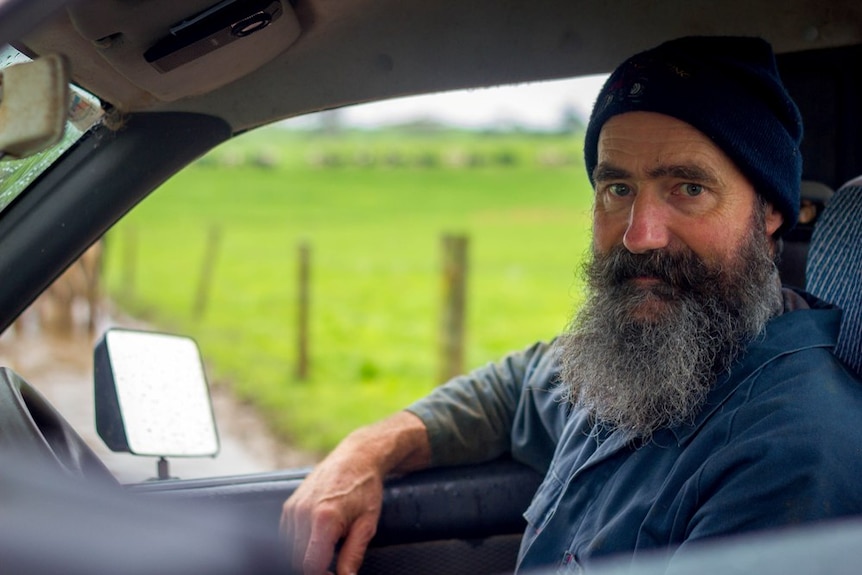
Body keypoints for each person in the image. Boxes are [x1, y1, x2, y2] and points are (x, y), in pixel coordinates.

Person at [280, 36, 862, 574]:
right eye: (618, 190)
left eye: (689, 189)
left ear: (768, 213)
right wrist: (368, 450)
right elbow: (515, 387)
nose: (640, 234)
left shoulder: (794, 454)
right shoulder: (648, 356)